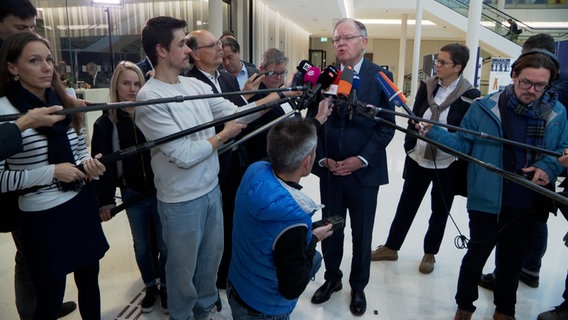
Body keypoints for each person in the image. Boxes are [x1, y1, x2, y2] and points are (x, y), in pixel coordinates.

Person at [134, 16, 286, 320]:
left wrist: (279, 97)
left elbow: (236, 112)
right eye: (182, 44)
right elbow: (184, 154)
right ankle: (182, 315)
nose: (189, 51)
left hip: (210, 191)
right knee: (181, 271)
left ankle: (204, 310)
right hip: (180, 201)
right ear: (161, 50)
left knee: (210, 263)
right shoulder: (149, 97)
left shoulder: (193, 85)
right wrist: (224, 134)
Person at [418, 49, 567, 320]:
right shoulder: (484, 107)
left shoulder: (557, 113)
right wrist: (435, 132)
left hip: (529, 202)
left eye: (540, 85)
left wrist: (547, 167)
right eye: (525, 82)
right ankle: (464, 307)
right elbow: (464, 144)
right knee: (475, 258)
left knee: (511, 263)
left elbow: (561, 151)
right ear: (513, 76)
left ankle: (504, 311)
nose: (531, 90)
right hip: (487, 199)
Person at [0, 32, 109, 320]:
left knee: (90, 283)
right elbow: (0, 179)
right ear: (12, 67)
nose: (47, 67)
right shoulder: (5, 110)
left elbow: (77, 151)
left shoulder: (65, 99)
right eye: (34, 61)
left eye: (48, 60)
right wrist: (51, 172)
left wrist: (89, 166)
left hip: (79, 203)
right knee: (49, 298)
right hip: (41, 216)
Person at [309, 18, 395, 317]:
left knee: (361, 232)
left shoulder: (380, 77)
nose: (340, 44)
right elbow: (312, 126)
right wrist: (321, 158)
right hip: (331, 173)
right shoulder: (326, 78)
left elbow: (386, 129)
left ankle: (358, 286)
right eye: (336, 39)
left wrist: (361, 160)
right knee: (330, 227)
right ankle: (332, 278)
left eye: (347, 37)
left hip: (363, 175)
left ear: (364, 41)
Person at [371, 43, 480, 274]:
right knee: (406, 205)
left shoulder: (470, 95)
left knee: (440, 210)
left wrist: (440, 131)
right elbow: (417, 113)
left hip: (447, 162)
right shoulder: (427, 86)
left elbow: (464, 131)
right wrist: (414, 127)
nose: (436, 65)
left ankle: (430, 253)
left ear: (457, 67)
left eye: (442, 62)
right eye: (436, 61)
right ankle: (391, 247)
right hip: (418, 157)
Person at [0, 0, 78, 318]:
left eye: (33, 27)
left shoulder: (47, 87)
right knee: (29, 256)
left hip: (52, 195)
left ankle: (46, 299)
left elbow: (74, 142)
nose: (30, 33)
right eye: (21, 28)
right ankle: (31, 310)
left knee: (49, 262)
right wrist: (24, 123)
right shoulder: (6, 102)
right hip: (22, 193)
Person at [479, 33, 568, 292]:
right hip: (528, 167)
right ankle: (527, 269)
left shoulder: (556, 94)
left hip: (542, 166)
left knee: (534, 219)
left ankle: (522, 269)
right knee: (535, 218)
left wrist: (550, 167)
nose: (532, 89)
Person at [228, 116, 334, 319]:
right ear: (307, 161)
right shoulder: (293, 220)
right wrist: (312, 239)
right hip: (264, 308)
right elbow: (291, 289)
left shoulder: (254, 170)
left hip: (238, 285)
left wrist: (317, 120)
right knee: (316, 259)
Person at [90, 61, 168, 314]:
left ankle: (165, 285)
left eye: (137, 84)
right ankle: (150, 286)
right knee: (142, 244)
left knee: (165, 243)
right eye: (126, 83)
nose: (132, 89)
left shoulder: (152, 113)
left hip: (160, 190)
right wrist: (105, 200)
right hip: (132, 192)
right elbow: (103, 166)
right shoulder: (105, 123)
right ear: (116, 85)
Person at [184, 29, 251, 296]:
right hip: (209, 162)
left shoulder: (227, 77)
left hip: (235, 159)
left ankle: (225, 275)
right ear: (196, 54)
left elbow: (239, 115)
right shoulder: (188, 83)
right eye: (213, 45)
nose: (220, 48)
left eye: (219, 44)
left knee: (232, 218)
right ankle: (204, 283)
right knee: (208, 229)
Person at [244, 48, 296, 165]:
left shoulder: (284, 89)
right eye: (273, 74)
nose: (278, 78)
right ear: (261, 70)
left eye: (282, 73)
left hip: (288, 155)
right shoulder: (255, 93)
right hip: (265, 158)